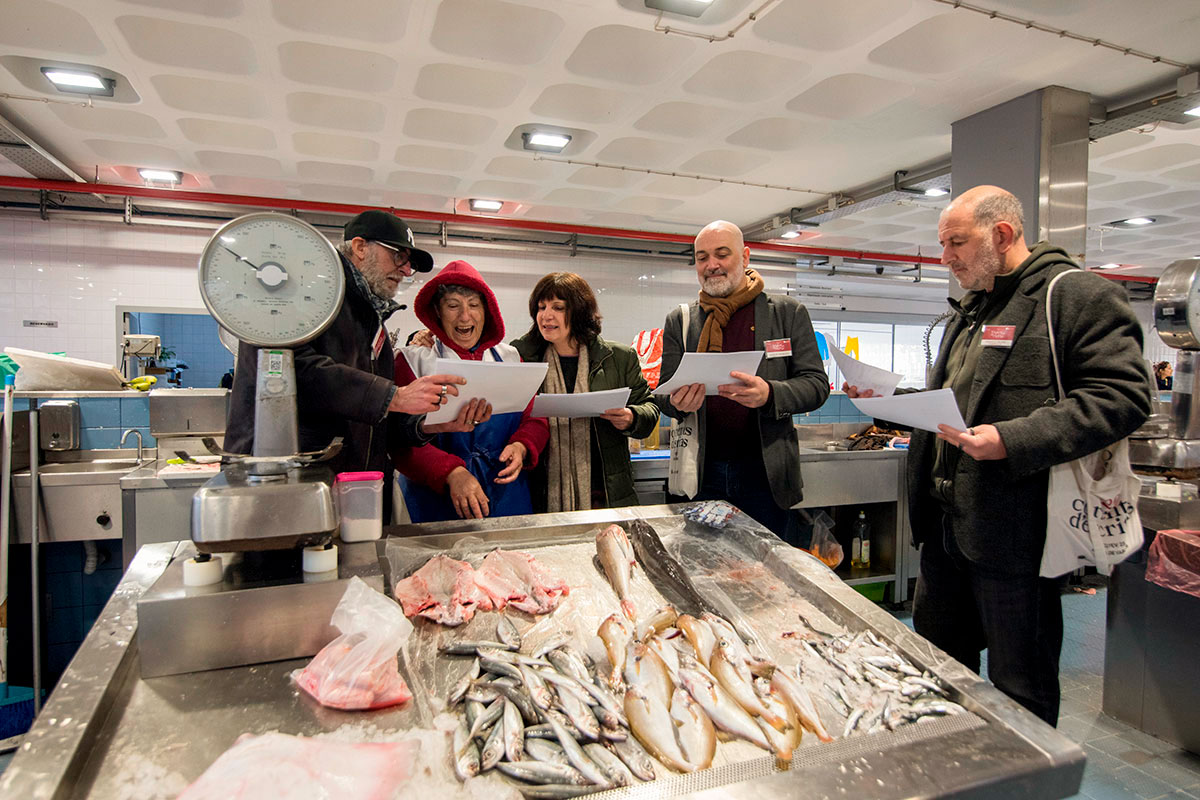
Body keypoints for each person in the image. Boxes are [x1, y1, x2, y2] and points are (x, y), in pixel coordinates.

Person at [845, 185, 1151, 725]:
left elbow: (1122, 397)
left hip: (1014, 537)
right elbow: (956, 408)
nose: (945, 258)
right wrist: (889, 404)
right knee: (938, 673)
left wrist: (1011, 439)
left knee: (1020, 687)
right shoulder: (972, 309)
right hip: (943, 534)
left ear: (1002, 235)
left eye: (955, 243)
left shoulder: (1075, 296)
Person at [225, 210, 479, 518]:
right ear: (360, 247)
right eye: (398, 256)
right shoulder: (302, 298)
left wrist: (427, 424)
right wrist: (393, 396)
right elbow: (290, 371)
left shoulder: (371, 320)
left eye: (409, 263)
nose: (405, 269)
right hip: (287, 485)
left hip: (352, 491)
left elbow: (375, 422)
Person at [658, 220, 829, 538]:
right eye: (702, 257)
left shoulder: (787, 313)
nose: (712, 265)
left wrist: (771, 393)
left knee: (766, 575)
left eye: (722, 254)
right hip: (702, 472)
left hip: (766, 475)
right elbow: (663, 393)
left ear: (746, 257)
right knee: (701, 569)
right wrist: (677, 403)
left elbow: (816, 385)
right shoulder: (680, 321)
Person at [393, 260, 549, 521]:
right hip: (434, 499)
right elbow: (398, 442)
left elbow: (535, 419)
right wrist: (451, 472)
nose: (465, 316)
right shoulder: (412, 361)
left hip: (506, 495)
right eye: (453, 306)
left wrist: (522, 445)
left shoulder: (510, 358)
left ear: (487, 311)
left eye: (474, 305)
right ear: (437, 312)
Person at [511, 272, 659, 511]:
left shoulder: (619, 358)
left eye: (558, 307)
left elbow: (650, 408)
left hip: (605, 490)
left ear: (579, 311)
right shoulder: (521, 357)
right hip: (541, 489)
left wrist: (632, 417)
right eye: (541, 307)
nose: (546, 316)